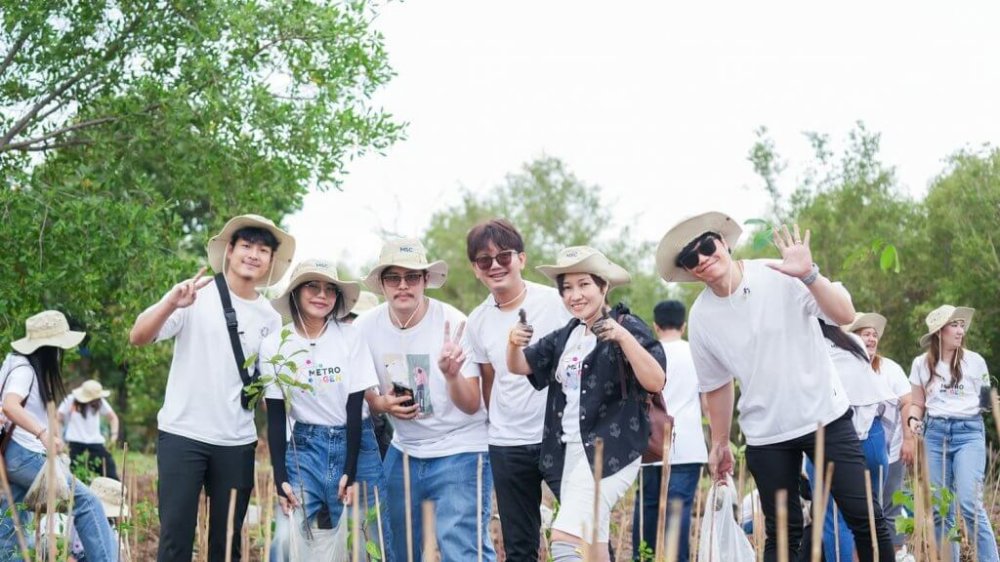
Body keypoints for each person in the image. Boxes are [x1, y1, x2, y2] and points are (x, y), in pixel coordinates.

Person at [654, 212, 893, 562]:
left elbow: (844, 314)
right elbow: (717, 385)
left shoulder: (779, 273)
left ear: (724, 244)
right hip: (766, 434)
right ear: (689, 271)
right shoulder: (702, 317)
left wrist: (810, 275)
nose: (703, 259)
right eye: (692, 258)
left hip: (824, 417)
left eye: (707, 246)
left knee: (866, 519)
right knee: (782, 536)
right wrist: (719, 443)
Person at [129, 214, 295, 562]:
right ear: (230, 251)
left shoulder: (269, 317)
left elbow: (270, 389)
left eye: (263, 250)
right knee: (175, 540)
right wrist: (171, 302)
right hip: (182, 434)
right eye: (246, 246)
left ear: (270, 261)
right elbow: (138, 337)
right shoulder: (193, 294)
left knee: (228, 544)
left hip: (236, 441)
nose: (254, 255)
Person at [506, 246, 666, 562]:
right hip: (571, 454)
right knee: (593, 547)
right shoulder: (566, 335)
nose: (575, 295)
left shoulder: (627, 325)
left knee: (566, 539)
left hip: (612, 450)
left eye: (583, 285)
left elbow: (656, 380)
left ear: (602, 286)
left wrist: (622, 337)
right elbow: (520, 366)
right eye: (567, 287)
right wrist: (512, 344)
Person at [354, 237, 494, 561]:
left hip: (460, 447)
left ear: (425, 280)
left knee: (461, 549)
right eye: (393, 278)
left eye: (412, 277)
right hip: (405, 449)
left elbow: (473, 404)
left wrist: (451, 374)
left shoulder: (456, 324)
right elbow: (359, 384)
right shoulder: (364, 328)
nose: (403, 286)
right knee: (394, 547)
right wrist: (379, 403)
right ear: (382, 284)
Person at [261, 258, 394, 561]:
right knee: (286, 540)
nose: (322, 295)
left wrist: (348, 470)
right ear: (295, 292)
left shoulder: (350, 337)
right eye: (312, 286)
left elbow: (354, 404)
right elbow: (277, 416)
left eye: (329, 289)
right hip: (304, 447)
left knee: (369, 540)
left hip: (356, 444)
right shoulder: (275, 345)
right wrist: (280, 476)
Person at [463, 218, 571, 562]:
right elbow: (488, 379)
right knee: (520, 546)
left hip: (559, 435)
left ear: (521, 259)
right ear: (475, 269)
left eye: (504, 257)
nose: (495, 266)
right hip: (507, 443)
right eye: (484, 260)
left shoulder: (556, 303)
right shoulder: (477, 320)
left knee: (582, 531)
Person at [0, 310, 118, 561]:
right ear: (49, 348)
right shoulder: (25, 370)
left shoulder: (11, 362)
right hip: (24, 455)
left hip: (11, 456)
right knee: (88, 504)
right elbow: (10, 405)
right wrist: (42, 433)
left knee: (12, 528)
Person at [906, 305, 999, 561]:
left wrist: (991, 402)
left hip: (968, 433)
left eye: (961, 325)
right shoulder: (920, 364)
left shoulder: (975, 360)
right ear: (939, 332)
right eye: (954, 325)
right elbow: (917, 403)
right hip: (934, 434)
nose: (960, 330)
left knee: (970, 505)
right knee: (939, 509)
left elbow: (985, 404)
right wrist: (913, 420)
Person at [807, 318, 897, 562]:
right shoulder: (853, 344)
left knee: (833, 519)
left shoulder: (807, 345)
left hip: (829, 434)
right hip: (873, 435)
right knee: (871, 518)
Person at [631, 300, 707, 562]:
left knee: (647, 507)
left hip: (650, 443)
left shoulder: (643, 353)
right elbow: (708, 405)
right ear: (683, 325)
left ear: (655, 325)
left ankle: (644, 558)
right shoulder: (696, 353)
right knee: (679, 510)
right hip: (687, 445)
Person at [844, 312, 913, 553]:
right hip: (851, 449)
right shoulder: (842, 366)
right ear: (853, 338)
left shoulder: (889, 368)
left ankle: (892, 555)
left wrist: (909, 439)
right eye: (865, 334)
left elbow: (908, 402)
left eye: (874, 335)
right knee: (860, 511)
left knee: (890, 507)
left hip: (891, 450)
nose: (872, 339)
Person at [58, 379, 120, 480]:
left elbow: (113, 418)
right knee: (74, 477)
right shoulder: (71, 400)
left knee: (111, 473)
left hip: (95, 444)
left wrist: (114, 436)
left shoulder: (100, 402)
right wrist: (60, 438)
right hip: (74, 444)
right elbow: (58, 418)